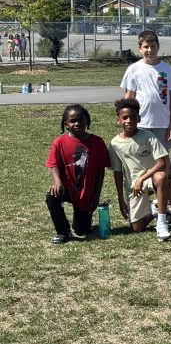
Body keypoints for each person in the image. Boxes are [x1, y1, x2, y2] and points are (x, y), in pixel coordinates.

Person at [108, 98, 171, 241]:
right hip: (134, 186)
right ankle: (154, 212)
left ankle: (162, 224)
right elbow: (118, 172)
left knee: (160, 177)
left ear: (139, 118)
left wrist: (142, 178)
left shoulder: (148, 136)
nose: (129, 121)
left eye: (132, 117)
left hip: (151, 178)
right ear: (118, 120)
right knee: (137, 228)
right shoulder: (114, 144)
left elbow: (162, 162)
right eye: (124, 118)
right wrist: (120, 200)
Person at [45, 104, 110, 244]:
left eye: (81, 119)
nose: (77, 123)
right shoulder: (60, 142)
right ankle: (63, 231)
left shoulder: (97, 142)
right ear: (66, 124)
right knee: (52, 196)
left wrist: (96, 194)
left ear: (87, 120)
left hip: (86, 191)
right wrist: (57, 182)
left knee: (82, 231)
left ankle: (82, 223)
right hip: (66, 187)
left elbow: (100, 171)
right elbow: (53, 165)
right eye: (73, 120)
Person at [120, 30, 171, 151]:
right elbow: (129, 97)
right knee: (142, 157)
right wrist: (126, 119)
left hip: (162, 123)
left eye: (153, 46)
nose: (149, 50)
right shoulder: (133, 69)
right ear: (140, 49)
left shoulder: (168, 69)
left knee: (162, 160)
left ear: (158, 47)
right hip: (141, 122)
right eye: (146, 47)